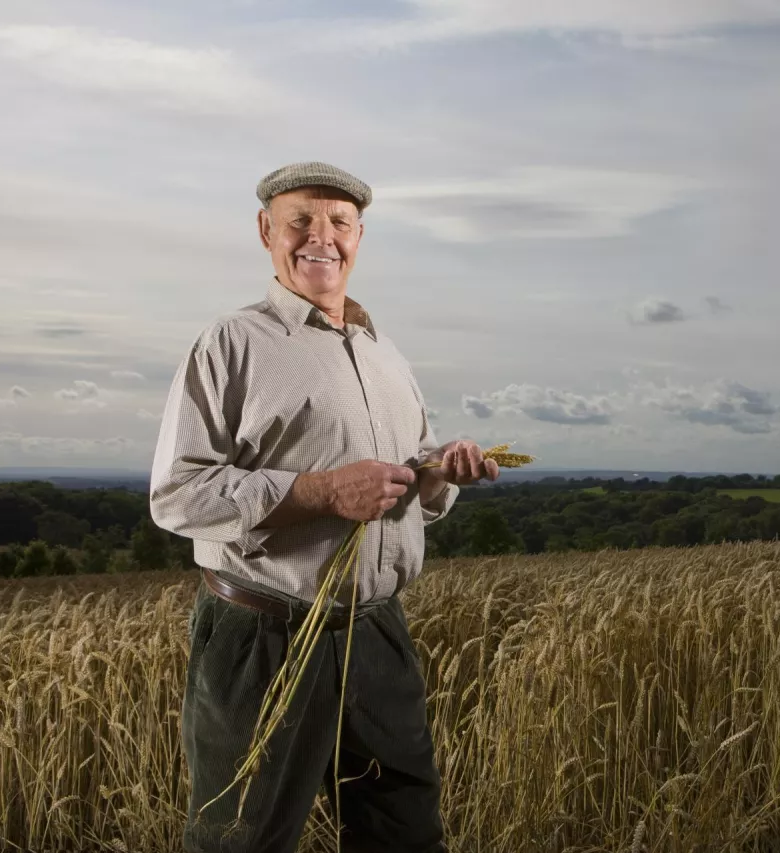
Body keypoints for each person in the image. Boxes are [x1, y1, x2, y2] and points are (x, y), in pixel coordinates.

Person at [149, 161, 498, 853]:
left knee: (404, 831)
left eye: (339, 223)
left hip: (376, 632)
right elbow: (176, 494)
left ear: (359, 235)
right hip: (265, 637)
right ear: (265, 232)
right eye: (300, 221)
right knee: (241, 840)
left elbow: (408, 484)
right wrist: (320, 491)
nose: (322, 238)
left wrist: (437, 474)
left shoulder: (383, 351)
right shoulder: (231, 342)